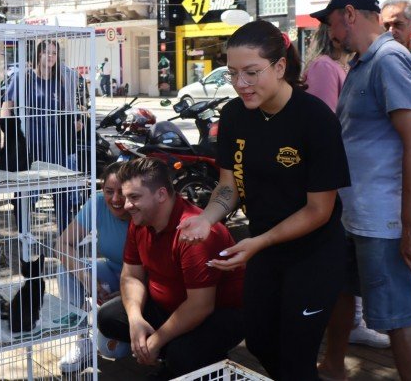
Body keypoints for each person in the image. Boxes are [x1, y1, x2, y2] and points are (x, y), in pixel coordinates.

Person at [179, 20, 351, 380]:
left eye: (252, 72)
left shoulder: (315, 118)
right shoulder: (234, 115)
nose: (241, 83)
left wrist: (258, 242)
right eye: (234, 73)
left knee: (296, 356)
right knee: (258, 340)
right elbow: (229, 187)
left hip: (313, 253)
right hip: (263, 248)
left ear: (280, 67)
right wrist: (206, 218)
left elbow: (320, 210)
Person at [312, 0, 411, 381]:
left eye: (331, 22)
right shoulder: (363, 63)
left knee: (398, 315)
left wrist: (410, 224)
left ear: (350, 14)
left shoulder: (389, 60)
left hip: (383, 218)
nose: (331, 33)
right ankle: (332, 367)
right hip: (354, 212)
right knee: (342, 292)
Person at [98, 158, 244, 379]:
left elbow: (200, 306)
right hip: (169, 304)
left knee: (181, 353)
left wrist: (156, 341)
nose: (126, 205)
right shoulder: (141, 221)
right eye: (126, 197)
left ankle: (208, 367)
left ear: (161, 194)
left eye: (134, 197)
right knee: (109, 317)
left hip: (219, 313)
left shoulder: (195, 232)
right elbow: (131, 276)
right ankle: (178, 361)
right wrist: (136, 319)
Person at [304, 24, 391, 349]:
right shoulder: (326, 66)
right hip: (338, 179)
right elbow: (327, 124)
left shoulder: (347, 65)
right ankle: (352, 327)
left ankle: (352, 328)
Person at [1, 39, 84, 234]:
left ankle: (64, 237)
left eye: (54, 53)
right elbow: (7, 105)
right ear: (38, 54)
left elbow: (70, 112)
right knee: (28, 192)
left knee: (61, 191)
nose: (50, 56)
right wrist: (7, 134)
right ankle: (24, 234)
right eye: (46, 52)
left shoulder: (62, 82)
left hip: (56, 145)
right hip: (30, 145)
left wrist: (75, 125)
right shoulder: (24, 78)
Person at [56, 162, 131, 373]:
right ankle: (82, 339)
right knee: (65, 269)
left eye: (122, 192)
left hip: (141, 281)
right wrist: (88, 280)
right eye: (109, 191)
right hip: (111, 269)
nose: (115, 199)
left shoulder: (142, 208)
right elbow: (62, 245)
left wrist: (128, 294)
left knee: (112, 350)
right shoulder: (97, 202)